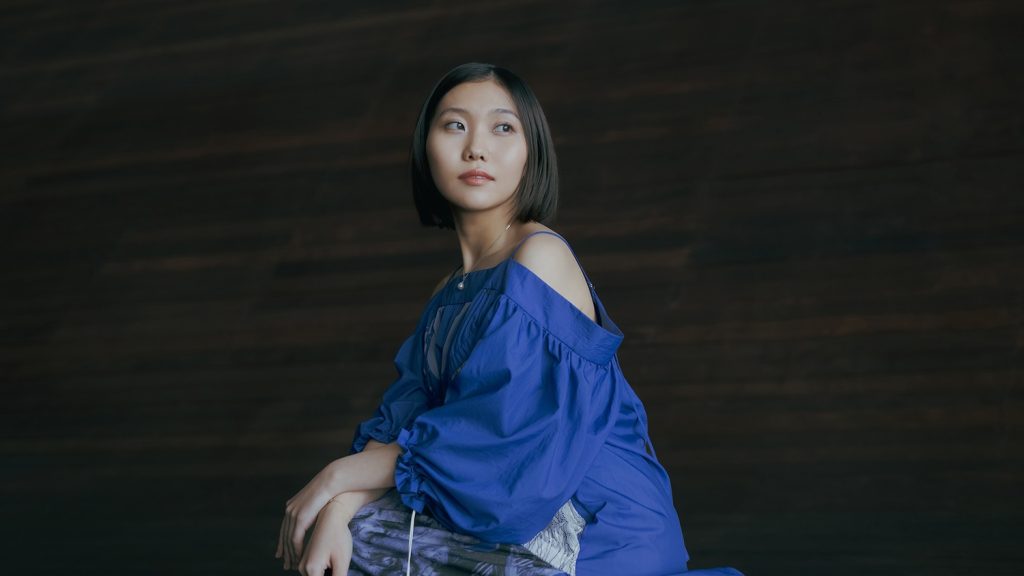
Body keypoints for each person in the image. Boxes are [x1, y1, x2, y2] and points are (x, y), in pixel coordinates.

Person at [276, 63, 742, 576]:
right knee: (342, 537)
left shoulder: (540, 256)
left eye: (503, 127)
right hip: (509, 508)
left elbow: (500, 436)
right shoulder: (448, 291)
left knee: (365, 543)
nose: (477, 148)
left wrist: (336, 478)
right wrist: (338, 504)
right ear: (425, 148)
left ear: (530, 153)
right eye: (455, 125)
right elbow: (403, 421)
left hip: (594, 526)